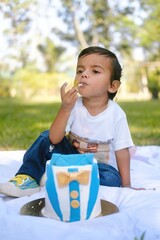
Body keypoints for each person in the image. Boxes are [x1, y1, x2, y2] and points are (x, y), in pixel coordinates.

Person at [0, 46, 134, 197]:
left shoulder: (117, 115)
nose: (84, 75)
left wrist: (127, 185)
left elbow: (122, 151)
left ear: (112, 86)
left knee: (111, 179)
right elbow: (54, 139)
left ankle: (58, 177)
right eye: (80, 71)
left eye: (95, 71)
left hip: (97, 166)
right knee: (45, 137)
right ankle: (28, 178)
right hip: (69, 157)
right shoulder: (74, 106)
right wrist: (65, 109)